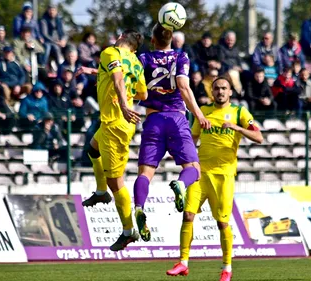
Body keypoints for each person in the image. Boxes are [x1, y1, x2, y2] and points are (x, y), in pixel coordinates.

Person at [166, 75, 263, 281]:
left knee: (222, 223)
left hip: (224, 176)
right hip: (201, 173)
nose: (220, 92)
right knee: (188, 215)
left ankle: (227, 268)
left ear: (230, 92)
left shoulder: (239, 112)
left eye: (224, 88)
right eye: (217, 88)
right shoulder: (204, 112)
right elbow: (192, 138)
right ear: (212, 91)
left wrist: (237, 128)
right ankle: (183, 262)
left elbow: (259, 137)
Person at [132, 23, 210, 242]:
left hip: (153, 119)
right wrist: (199, 114)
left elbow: (127, 82)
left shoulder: (144, 59)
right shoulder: (181, 57)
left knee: (145, 173)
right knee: (193, 169)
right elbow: (184, 88)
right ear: (172, 39)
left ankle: (139, 208)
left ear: (153, 39)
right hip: (176, 118)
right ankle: (180, 185)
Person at [80, 30, 148, 252]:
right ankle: (101, 193)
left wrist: (124, 105)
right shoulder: (136, 62)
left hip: (116, 124)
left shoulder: (110, 52)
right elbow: (143, 94)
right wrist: (93, 71)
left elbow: (118, 79)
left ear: (119, 37)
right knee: (92, 149)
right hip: (114, 122)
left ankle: (128, 231)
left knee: (115, 182)